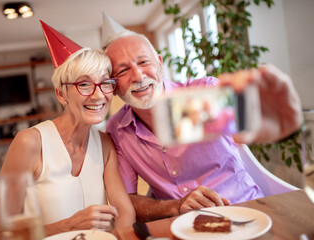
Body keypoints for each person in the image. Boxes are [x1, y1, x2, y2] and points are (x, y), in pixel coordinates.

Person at [101, 12, 302, 222]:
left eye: (143, 62)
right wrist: (175, 206)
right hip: (183, 227)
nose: (138, 76)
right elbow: (127, 200)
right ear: (113, 86)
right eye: (123, 70)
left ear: (159, 63)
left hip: (245, 213)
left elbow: (247, 125)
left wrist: (264, 115)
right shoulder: (117, 129)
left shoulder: (203, 91)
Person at [0, 21, 135, 239]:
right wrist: (68, 225)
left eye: (105, 83)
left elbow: (125, 211)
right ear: (61, 94)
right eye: (84, 84)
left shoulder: (105, 143)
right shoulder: (29, 143)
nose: (98, 95)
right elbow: (0, 234)